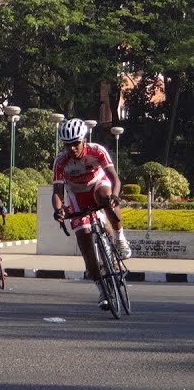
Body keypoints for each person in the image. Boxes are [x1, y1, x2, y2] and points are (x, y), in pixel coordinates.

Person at [51, 117, 132, 310]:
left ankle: (119, 238)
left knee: (104, 196)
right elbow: (57, 193)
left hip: (97, 185)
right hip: (76, 194)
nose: (72, 148)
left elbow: (115, 179)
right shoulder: (60, 162)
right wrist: (58, 210)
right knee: (86, 245)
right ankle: (103, 290)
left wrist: (114, 196)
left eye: (76, 143)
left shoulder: (97, 151)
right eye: (67, 145)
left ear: (84, 140)